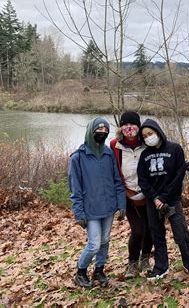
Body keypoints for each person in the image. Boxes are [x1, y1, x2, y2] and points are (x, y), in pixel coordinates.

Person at [68, 117, 126, 289]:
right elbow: (75, 190)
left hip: (108, 207)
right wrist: (79, 213)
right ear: (90, 132)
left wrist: (121, 204)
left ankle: (99, 270)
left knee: (105, 240)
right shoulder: (78, 158)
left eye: (105, 132)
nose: (102, 134)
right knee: (94, 243)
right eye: (98, 131)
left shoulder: (108, 154)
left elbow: (117, 180)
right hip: (90, 210)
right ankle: (80, 272)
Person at [137, 119, 189, 281]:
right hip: (153, 201)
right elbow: (142, 180)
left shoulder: (175, 149)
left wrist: (164, 197)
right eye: (145, 136)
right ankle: (161, 267)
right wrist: (155, 197)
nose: (148, 137)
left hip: (172, 199)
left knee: (181, 233)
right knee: (157, 234)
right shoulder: (144, 155)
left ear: (157, 131)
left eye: (150, 134)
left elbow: (179, 175)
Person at [110, 111, 152, 278]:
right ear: (121, 127)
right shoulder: (115, 146)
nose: (129, 127)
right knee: (138, 230)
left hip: (148, 194)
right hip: (128, 195)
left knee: (150, 229)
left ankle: (145, 259)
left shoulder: (147, 143)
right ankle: (132, 263)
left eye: (133, 124)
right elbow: (111, 171)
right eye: (125, 124)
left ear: (138, 126)